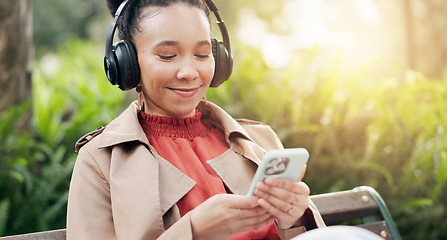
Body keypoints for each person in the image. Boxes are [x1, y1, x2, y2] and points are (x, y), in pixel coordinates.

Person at [66, 0, 325, 239]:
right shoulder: (100, 160)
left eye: (202, 55)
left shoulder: (261, 141)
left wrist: (294, 220)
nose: (189, 72)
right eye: (167, 56)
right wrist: (195, 231)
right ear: (127, 64)